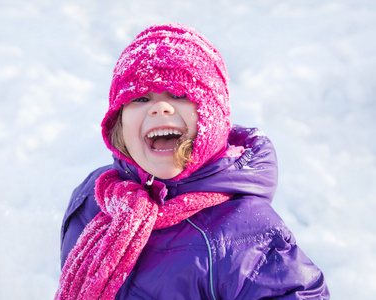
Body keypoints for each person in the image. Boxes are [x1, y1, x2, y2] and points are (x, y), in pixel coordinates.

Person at [54, 23, 330, 300]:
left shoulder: (244, 231)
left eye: (178, 95)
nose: (160, 107)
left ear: (213, 117)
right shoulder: (95, 198)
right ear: (119, 121)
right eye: (140, 97)